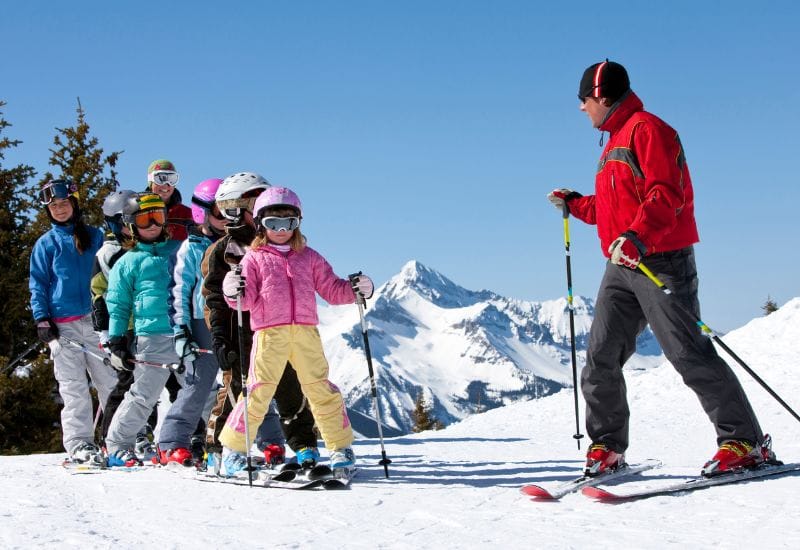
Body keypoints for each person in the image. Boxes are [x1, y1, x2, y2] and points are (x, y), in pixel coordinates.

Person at [547, 60, 776, 477]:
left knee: (687, 351)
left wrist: (637, 238)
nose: (581, 109)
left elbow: (665, 194)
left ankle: (743, 441)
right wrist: (576, 202)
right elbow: (614, 210)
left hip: (660, 260)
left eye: (583, 100)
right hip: (621, 266)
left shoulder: (647, 130)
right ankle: (607, 447)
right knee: (601, 355)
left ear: (600, 96)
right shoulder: (613, 140)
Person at [217, 185, 373, 475]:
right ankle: (233, 451)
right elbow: (246, 300)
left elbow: (332, 289)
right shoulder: (254, 258)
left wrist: (356, 290)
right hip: (269, 334)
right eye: (272, 223)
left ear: (297, 223)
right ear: (260, 224)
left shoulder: (309, 257)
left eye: (288, 222)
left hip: (304, 333)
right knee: (258, 391)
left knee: (319, 388)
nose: (281, 229)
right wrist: (232, 290)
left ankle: (340, 448)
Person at [202, 172, 317, 472]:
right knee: (239, 390)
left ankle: (304, 444)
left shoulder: (284, 246)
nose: (234, 217)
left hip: (278, 330)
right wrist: (219, 338)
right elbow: (213, 298)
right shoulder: (221, 251)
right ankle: (217, 449)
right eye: (253, 204)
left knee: (291, 385)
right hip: (239, 333)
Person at [28, 179, 118, 464]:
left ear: (74, 204)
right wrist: (42, 319)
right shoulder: (46, 244)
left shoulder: (96, 236)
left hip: (97, 320)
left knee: (111, 382)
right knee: (73, 387)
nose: (60, 209)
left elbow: (111, 273)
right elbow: (38, 284)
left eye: (64, 203)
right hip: (63, 327)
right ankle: (80, 443)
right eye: (54, 206)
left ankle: (121, 438)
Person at [104, 193, 182, 467]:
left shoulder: (178, 251)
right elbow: (118, 305)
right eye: (144, 219)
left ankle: (187, 442)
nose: (152, 225)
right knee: (144, 395)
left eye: (157, 217)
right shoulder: (127, 261)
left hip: (184, 333)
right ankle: (117, 445)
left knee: (198, 391)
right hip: (152, 336)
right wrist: (116, 340)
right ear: (131, 224)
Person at [157, 178, 229, 466]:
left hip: (236, 321)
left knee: (250, 382)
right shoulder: (191, 248)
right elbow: (179, 292)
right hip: (202, 324)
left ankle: (264, 441)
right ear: (201, 213)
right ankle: (172, 443)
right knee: (197, 386)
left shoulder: (240, 244)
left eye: (231, 212)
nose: (226, 219)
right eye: (219, 212)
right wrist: (182, 331)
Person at [90, 189, 159, 458]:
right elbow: (98, 295)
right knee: (126, 383)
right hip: (123, 329)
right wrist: (107, 335)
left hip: (147, 326)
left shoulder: (144, 249)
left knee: (148, 385)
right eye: (125, 221)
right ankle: (111, 440)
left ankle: (141, 434)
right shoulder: (109, 253)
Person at [146, 159, 193, 241]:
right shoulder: (139, 211)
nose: (166, 185)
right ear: (151, 182)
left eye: (172, 179)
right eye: (160, 179)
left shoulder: (188, 215)